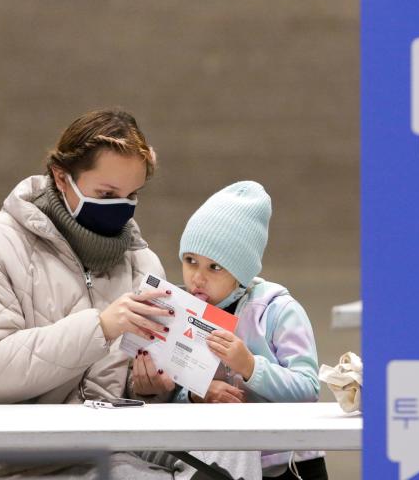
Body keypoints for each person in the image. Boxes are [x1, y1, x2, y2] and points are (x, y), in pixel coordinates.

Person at [0, 108, 178, 479]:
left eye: (132, 194)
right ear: (61, 177)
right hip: (13, 468)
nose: (122, 206)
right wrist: (98, 328)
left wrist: (151, 388)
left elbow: (132, 389)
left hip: (117, 461)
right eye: (106, 193)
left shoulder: (142, 264)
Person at [132, 181, 327, 480]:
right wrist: (196, 397)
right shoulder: (180, 312)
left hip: (291, 465)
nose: (197, 277)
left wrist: (250, 366)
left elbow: (308, 390)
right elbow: (175, 397)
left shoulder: (278, 311)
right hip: (219, 460)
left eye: (215, 267)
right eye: (190, 261)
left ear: (242, 272)